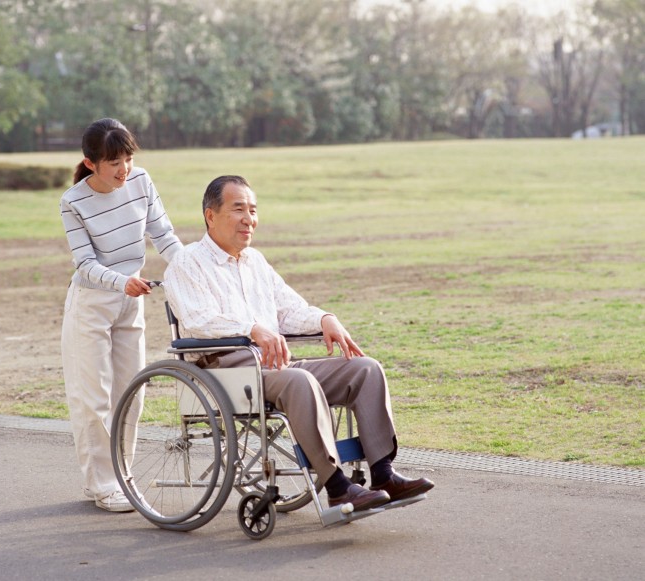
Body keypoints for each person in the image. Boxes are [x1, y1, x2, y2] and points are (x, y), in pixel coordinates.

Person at [164, 175, 434, 512]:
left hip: (274, 366)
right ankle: (337, 487)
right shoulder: (187, 263)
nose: (250, 219)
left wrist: (324, 319)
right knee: (299, 380)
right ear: (210, 216)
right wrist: (253, 328)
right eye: (238, 210)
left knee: (365, 370)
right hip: (227, 369)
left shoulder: (256, 263)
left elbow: (290, 309)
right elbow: (198, 320)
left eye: (253, 210)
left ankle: (383, 473)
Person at [60, 118, 182, 512]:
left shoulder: (141, 183)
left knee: (132, 393)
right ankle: (101, 484)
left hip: (131, 299)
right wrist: (121, 282)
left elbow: (164, 235)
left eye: (128, 158)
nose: (123, 169)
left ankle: (120, 477)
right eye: (114, 161)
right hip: (91, 305)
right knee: (93, 398)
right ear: (91, 163)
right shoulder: (72, 202)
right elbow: (84, 265)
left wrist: (192, 270)